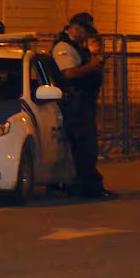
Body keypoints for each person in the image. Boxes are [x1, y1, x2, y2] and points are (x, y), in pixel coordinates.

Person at [51, 12, 112, 199]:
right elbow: (68, 73)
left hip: (82, 103)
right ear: (76, 28)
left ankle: (86, 185)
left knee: (86, 146)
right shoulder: (64, 47)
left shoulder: (75, 46)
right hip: (75, 104)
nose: (86, 36)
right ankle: (88, 187)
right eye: (85, 31)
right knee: (83, 146)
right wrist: (93, 66)